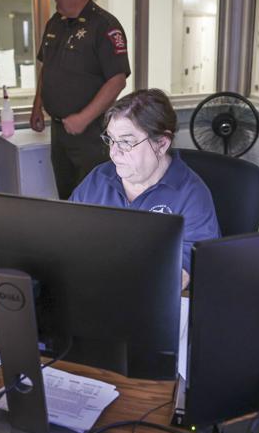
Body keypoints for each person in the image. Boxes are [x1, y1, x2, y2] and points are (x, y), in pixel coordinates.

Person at [70, 89, 220, 289]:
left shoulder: (191, 194)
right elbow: (68, 234)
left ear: (161, 143)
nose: (114, 153)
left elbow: (186, 269)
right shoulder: (99, 178)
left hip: (150, 297)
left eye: (125, 142)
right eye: (111, 140)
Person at [30, 0, 130, 200]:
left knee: (91, 197)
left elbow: (117, 80)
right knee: (66, 193)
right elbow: (47, 68)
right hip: (59, 128)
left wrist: (83, 119)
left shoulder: (105, 26)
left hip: (90, 132)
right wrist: (37, 105)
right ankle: (70, 236)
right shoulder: (55, 22)